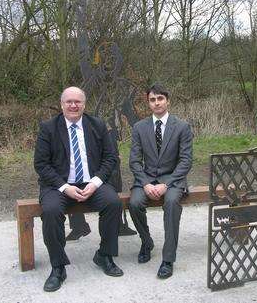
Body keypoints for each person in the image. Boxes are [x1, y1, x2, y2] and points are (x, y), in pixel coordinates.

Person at [34, 86, 124, 292]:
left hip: (91, 183)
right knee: (50, 211)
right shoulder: (49, 128)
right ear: (62, 104)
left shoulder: (97, 125)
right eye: (69, 101)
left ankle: (105, 256)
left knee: (113, 203)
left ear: (84, 104)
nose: (73, 105)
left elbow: (111, 158)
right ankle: (58, 267)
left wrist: (95, 183)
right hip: (58, 186)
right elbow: (41, 164)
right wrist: (65, 187)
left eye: (78, 101)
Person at [128, 83, 193, 279]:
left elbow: (186, 160)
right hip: (146, 178)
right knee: (134, 203)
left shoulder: (182, 127)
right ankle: (146, 242)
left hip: (173, 178)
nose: (156, 103)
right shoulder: (139, 127)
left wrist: (167, 184)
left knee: (172, 203)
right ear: (148, 103)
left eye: (160, 99)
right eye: (152, 100)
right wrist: (146, 183)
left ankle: (168, 259)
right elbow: (134, 160)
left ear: (167, 100)